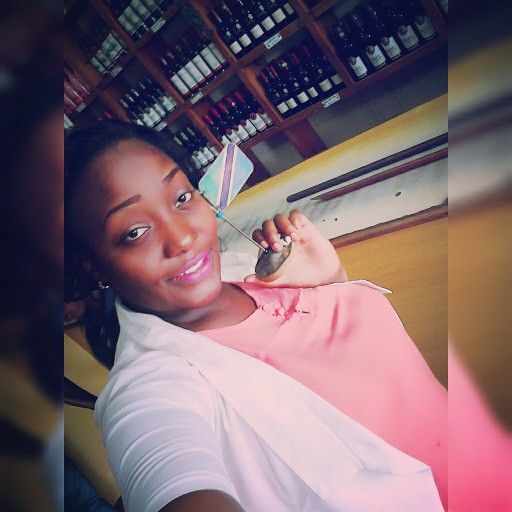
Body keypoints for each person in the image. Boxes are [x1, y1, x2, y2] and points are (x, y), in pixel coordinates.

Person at [65, 120, 447, 512]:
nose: (182, 237)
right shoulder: (150, 389)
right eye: (135, 232)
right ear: (93, 266)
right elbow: (166, 466)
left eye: (181, 198)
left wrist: (332, 282)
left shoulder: (242, 268)